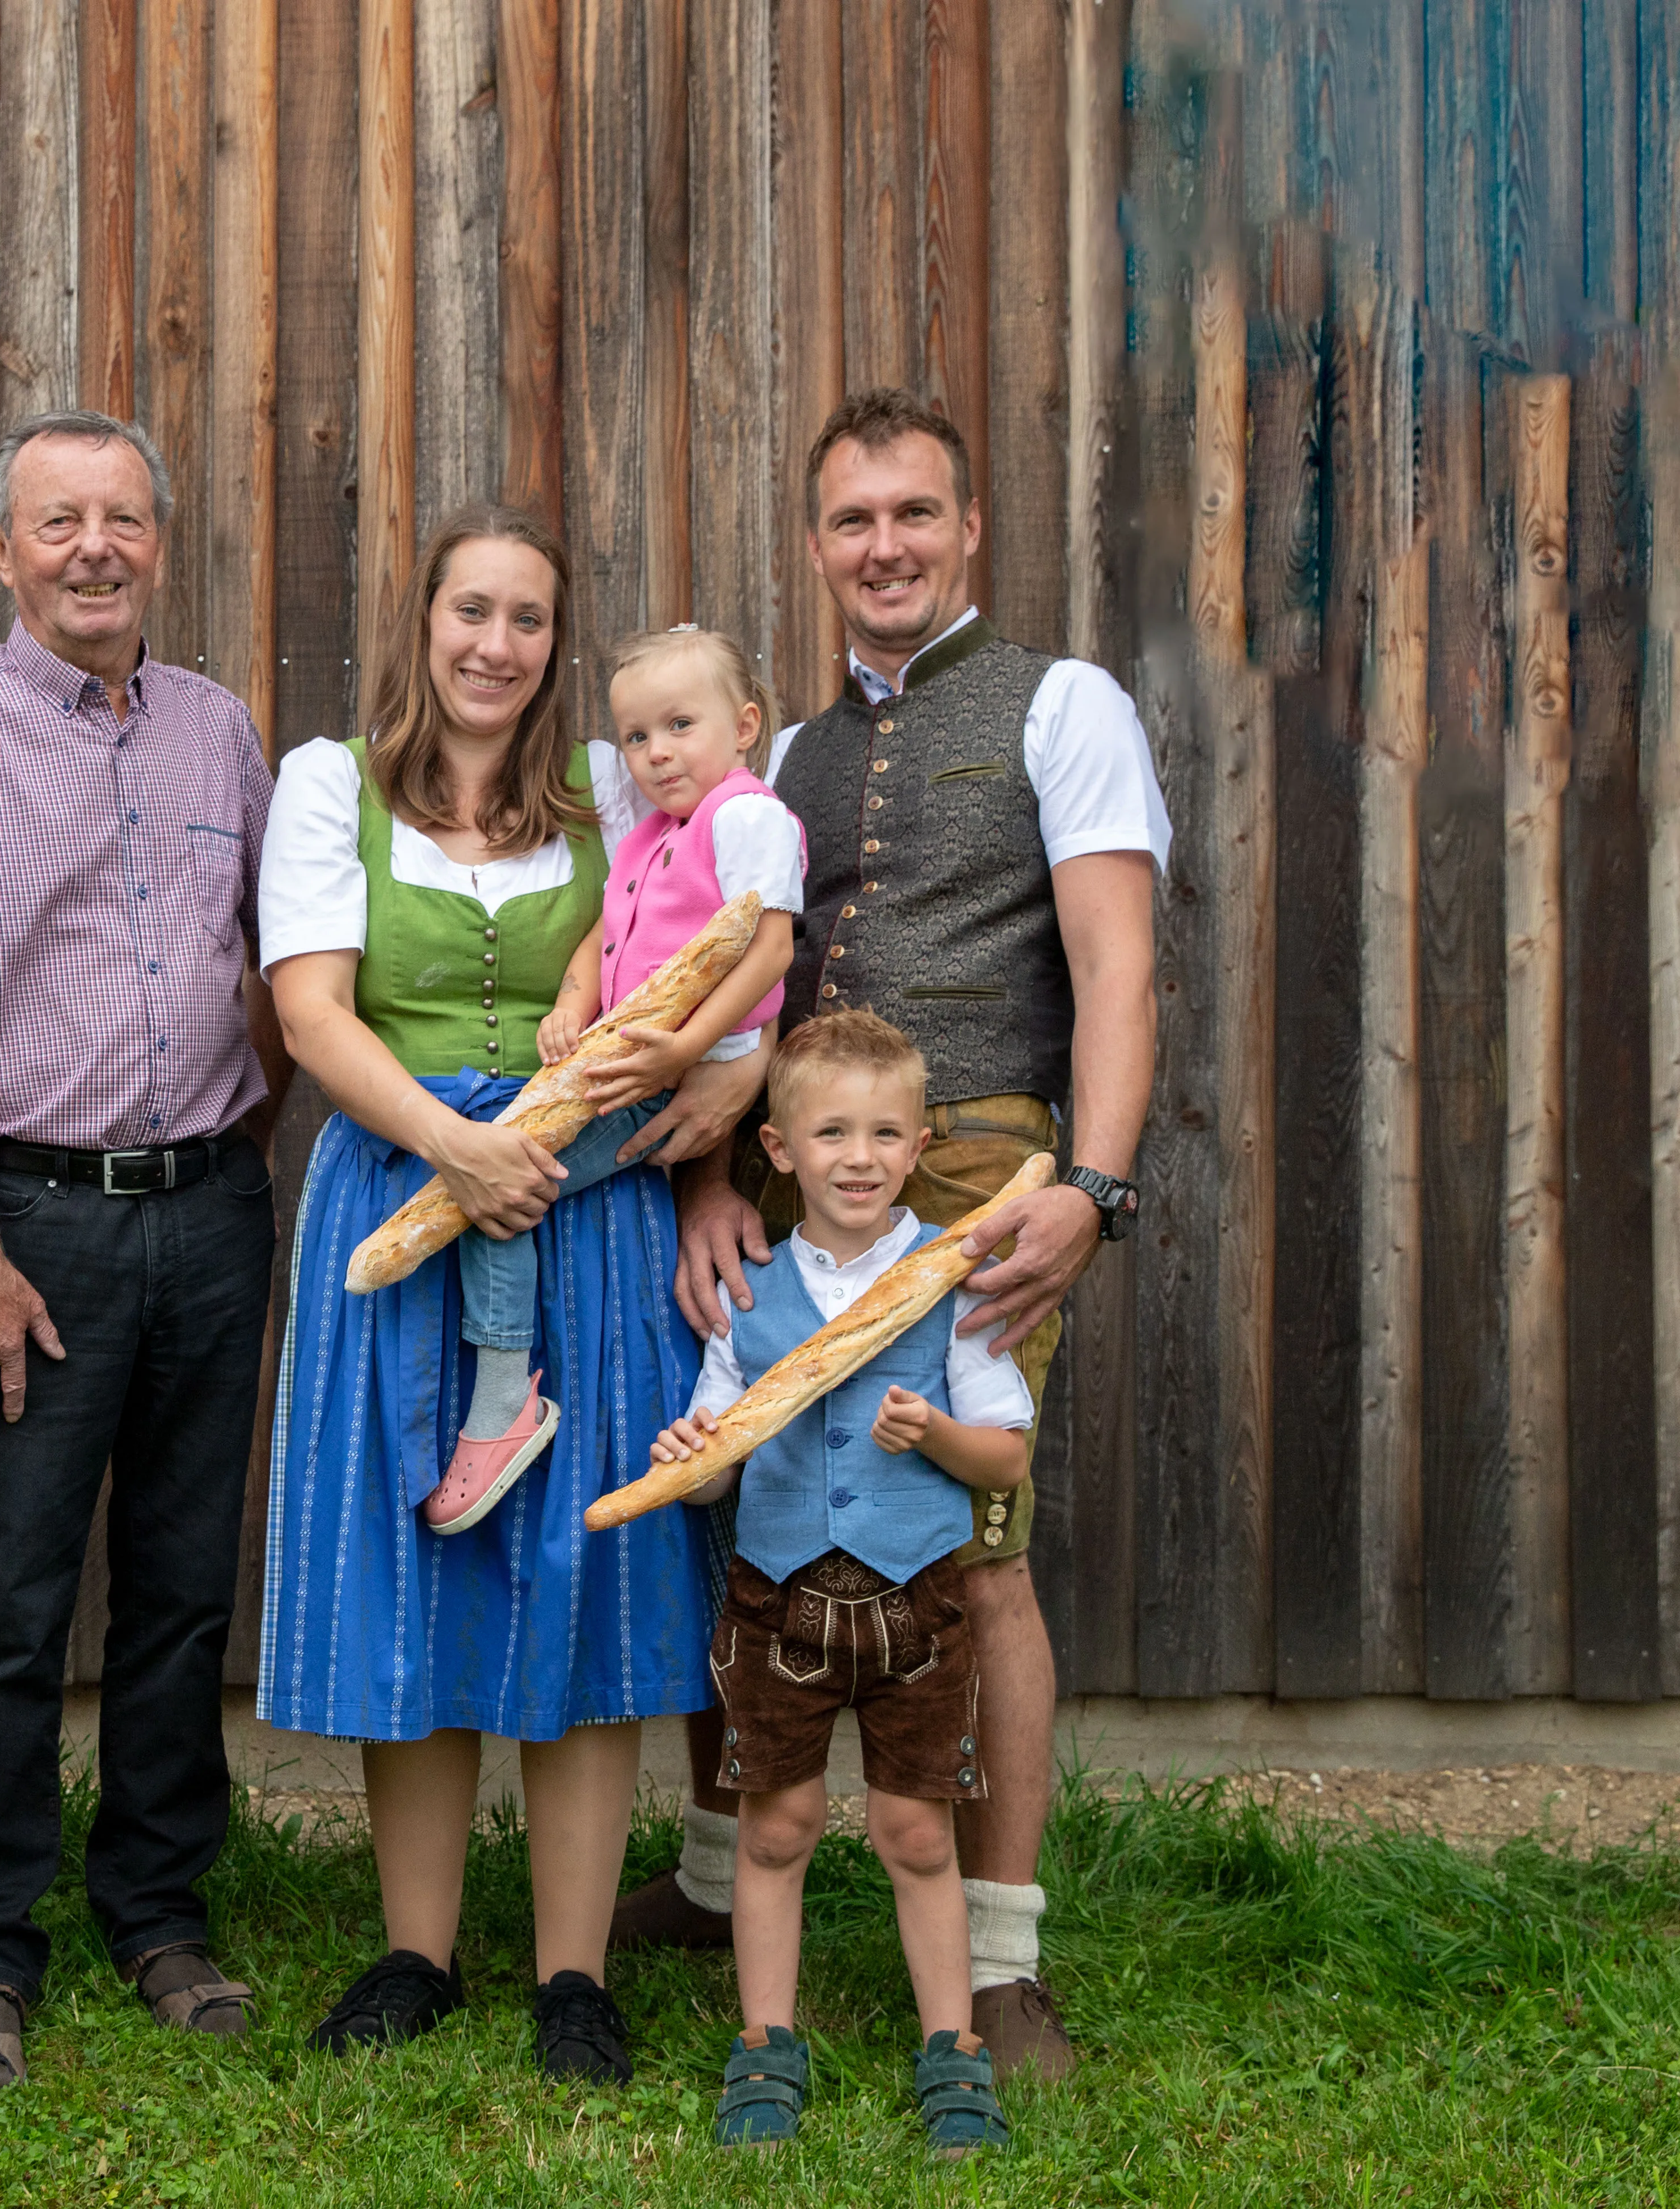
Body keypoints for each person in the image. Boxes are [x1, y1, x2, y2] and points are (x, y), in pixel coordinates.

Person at [613, 388, 1167, 2087]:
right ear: (814, 545)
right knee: (748, 1500)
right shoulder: (770, 753)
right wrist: (712, 1177)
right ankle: (724, 1874)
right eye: (851, 522)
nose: (883, 547)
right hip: (778, 1160)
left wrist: (1089, 1183)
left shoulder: (1058, 703)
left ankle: (994, 1958)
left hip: (974, 1162)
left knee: (969, 1543)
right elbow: (718, 975)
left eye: (912, 514)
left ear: (968, 526)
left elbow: (1117, 962)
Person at [258, 505, 720, 2088]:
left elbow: (714, 954)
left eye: (526, 619)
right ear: (422, 619)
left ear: (554, 647)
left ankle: (574, 1970)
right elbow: (312, 1012)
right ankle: (416, 1948)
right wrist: (459, 1148)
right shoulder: (328, 785)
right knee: (419, 1558)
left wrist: (676, 1116)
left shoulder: (607, 789)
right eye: (470, 609)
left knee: (581, 1571)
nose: (493, 644)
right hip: (404, 1189)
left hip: (586, 1213)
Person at [0, 409, 283, 2088]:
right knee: (15, 1603)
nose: (91, 547)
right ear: (3, 549)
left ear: (156, 544)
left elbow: (268, 960)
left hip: (210, 1210)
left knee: (181, 1594)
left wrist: (225, 1166)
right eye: (58, 522)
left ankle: (161, 1910)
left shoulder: (221, 729)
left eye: (119, 519)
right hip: (25, 1226)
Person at [642, 1011, 1034, 2156]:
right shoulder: (754, 1296)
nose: (858, 1156)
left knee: (918, 1829)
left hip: (917, 1602)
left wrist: (940, 1434)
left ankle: (953, 2048)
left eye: (882, 1133)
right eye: (831, 1132)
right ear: (778, 1149)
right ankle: (767, 2040)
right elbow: (717, 1460)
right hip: (776, 1602)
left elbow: (1005, 1454)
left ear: (917, 1147)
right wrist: (688, 1459)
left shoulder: (947, 1276)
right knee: (779, 1824)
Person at [422, 622, 801, 1537]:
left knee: (504, 1178)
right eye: (635, 738)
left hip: (680, 1067)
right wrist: (568, 1002)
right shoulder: (647, 839)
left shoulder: (745, 816)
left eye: (680, 726)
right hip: (632, 1057)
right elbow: (604, 936)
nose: (656, 753)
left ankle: (507, 1397)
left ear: (743, 725)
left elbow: (767, 950)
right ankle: (509, 1394)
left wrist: (685, 1051)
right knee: (507, 1174)